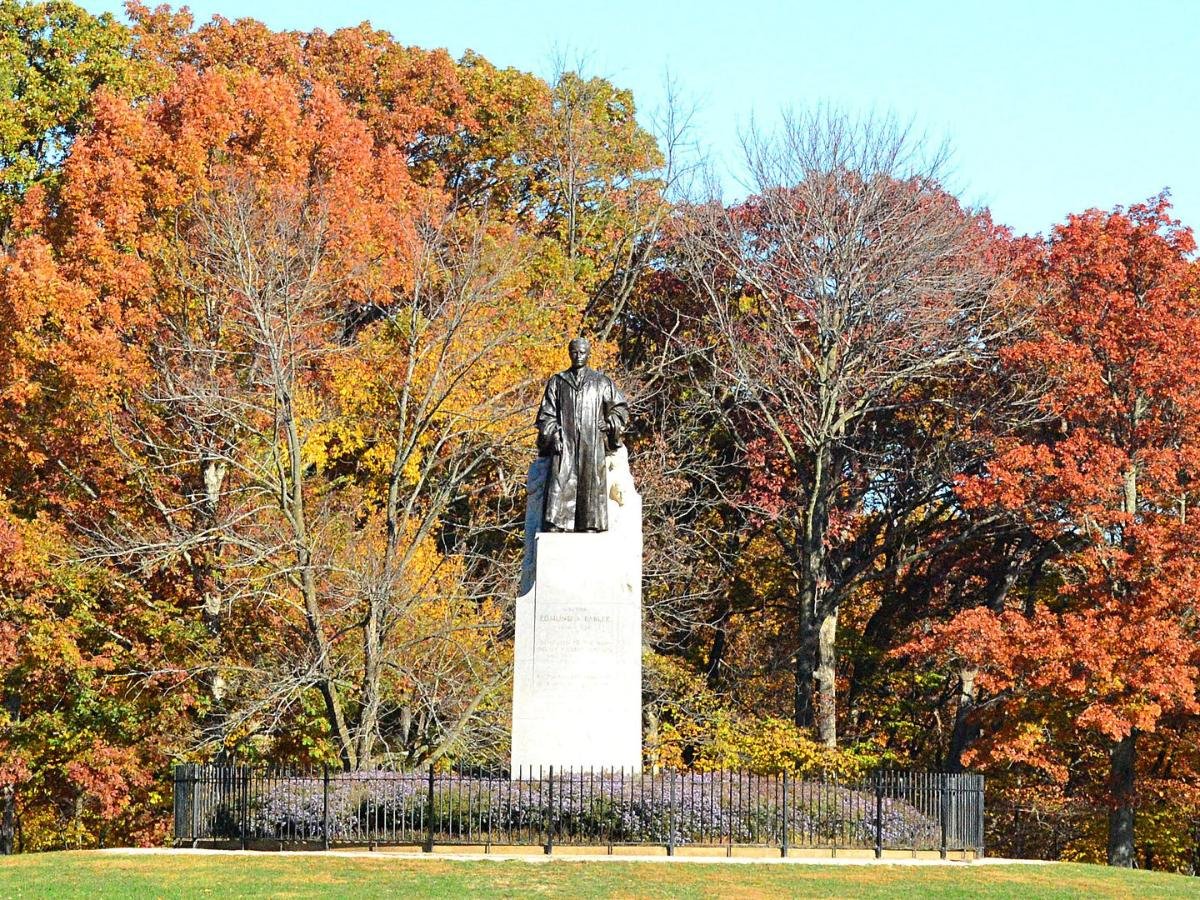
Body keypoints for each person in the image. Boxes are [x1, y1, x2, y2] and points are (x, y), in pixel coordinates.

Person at [535, 337, 629, 532]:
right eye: (574, 352)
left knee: (591, 482)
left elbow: (620, 409)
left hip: (592, 442)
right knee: (560, 479)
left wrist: (610, 422)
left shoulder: (601, 382)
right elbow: (547, 414)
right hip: (565, 442)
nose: (578, 356)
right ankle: (557, 522)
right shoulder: (558, 382)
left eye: (582, 352)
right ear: (569, 353)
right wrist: (553, 435)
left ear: (589, 354)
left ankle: (590, 524)